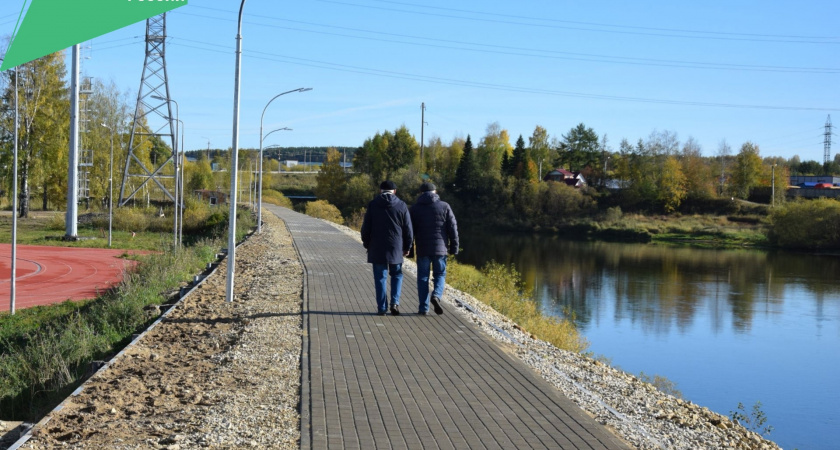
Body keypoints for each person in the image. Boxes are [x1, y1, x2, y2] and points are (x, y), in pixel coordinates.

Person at [361, 180, 414, 316]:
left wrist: (367, 243)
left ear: (380, 191)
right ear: (395, 191)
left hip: (377, 247)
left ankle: (382, 307)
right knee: (396, 275)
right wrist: (408, 247)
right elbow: (408, 229)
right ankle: (394, 303)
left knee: (380, 277)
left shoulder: (373, 205)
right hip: (396, 247)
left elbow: (366, 227)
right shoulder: (401, 205)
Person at [409, 182, 459, 315]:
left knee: (422, 278)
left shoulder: (415, 208)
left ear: (420, 193)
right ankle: (436, 295)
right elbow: (453, 228)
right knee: (440, 274)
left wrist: (409, 249)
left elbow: (409, 231)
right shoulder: (444, 206)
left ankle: (423, 308)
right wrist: (454, 247)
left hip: (423, 248)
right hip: (440, 249)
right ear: (435, 192)